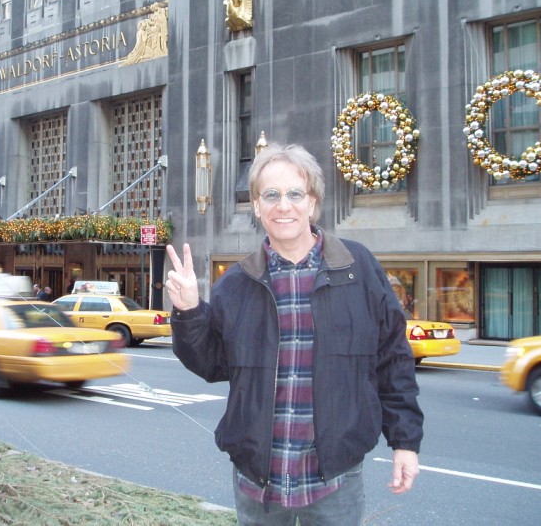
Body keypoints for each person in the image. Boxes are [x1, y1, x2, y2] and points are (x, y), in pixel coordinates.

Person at [165, 143, 423, 525]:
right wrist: (189, 311)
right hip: (258, 483)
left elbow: (393, 358)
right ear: (257, 206)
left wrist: (405, 442)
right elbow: (211, 365)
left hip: (335, 478)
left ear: (312, 202)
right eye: (271, 195)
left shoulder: (358, 269)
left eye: (295, 194)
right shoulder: (236, 283)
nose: (283, 205)